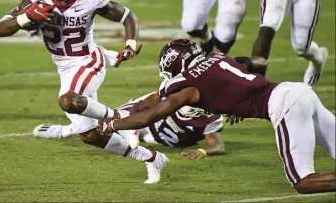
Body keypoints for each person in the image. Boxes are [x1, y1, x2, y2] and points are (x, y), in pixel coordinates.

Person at [0, 0, 168, 184]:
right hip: (64, 66)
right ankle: (151, 158)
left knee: (68, 100)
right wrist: (27, 17)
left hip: (88, 60)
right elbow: (1, 29)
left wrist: (129, 43)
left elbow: (128, 16)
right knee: (90, 135)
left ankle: (123, 120)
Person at [98, 39, 336, 194]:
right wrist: (246, 95)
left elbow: (148, 117)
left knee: (303, 182)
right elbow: (259, 62)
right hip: (298, 91)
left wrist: (112, 124)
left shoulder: (188, 88)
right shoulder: (217, 58)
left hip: (284, 105)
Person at [35, 90, 226, 159]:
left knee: (106, 133)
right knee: (104, 124)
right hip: (146, 121)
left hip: (156, 138)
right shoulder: (178, 95)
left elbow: (217, 144)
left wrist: (203, 152)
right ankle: (66, 130)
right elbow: (149, 101)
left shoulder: (211, 118)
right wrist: (124, 115)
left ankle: (68, 130)